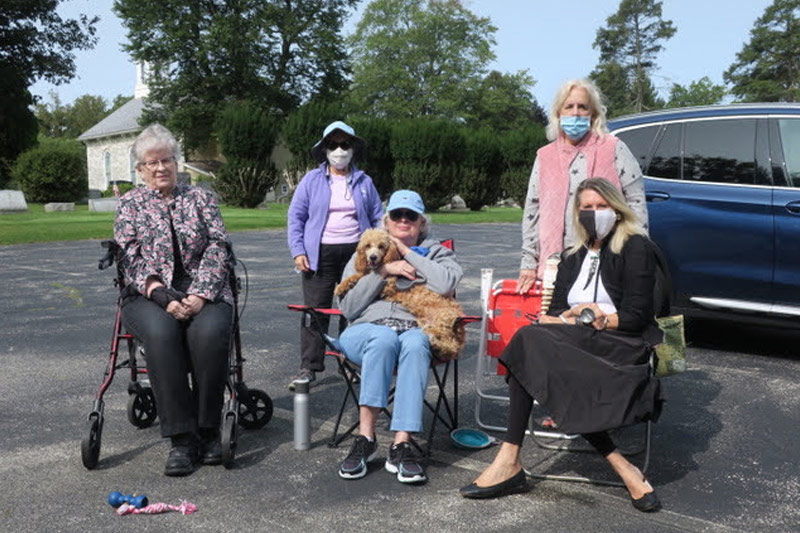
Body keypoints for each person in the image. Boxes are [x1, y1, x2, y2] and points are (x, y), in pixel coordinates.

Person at [461, 178, 665, 512]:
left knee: (527, 349)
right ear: (577, 212)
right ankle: (620, 466)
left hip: (620, 347)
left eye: (602, 206)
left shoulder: (635, 246)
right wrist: (568, 317)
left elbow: (638, 316)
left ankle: (511, 461)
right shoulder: (572, 256)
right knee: (532, 343)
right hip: (576, 345)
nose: (594, 213)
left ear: (617, 209)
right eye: (587, 207)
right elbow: (555, 313)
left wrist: (586, 317)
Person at [115, 123, 234, 477]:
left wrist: (199, 295)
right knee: (163, 334)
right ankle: (182, 438)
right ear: (140, 169)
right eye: (151, 163)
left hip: (205, 289)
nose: (160, 168)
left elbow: (218, 246)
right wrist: (160, 294)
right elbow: (129, 255)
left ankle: (209, 429)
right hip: (147, 293)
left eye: (166, 160)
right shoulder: (129, 205)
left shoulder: (200, 198)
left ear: (177, 163)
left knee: (209, 333)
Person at [336, 190, 463, 484]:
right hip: (365, 331)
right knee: (382, 338)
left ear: (421, 223)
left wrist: (406, 254)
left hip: (413, 330)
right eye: (397, 215)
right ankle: (365, 437)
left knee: (416, 343)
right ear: (387, 221)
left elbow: (445, 283)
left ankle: (401, 443)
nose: (403, 220)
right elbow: (348, 307)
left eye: (411, 216)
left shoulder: (436, 252)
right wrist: (382, 271)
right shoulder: (368, 249)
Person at [517, 79, 649, 294]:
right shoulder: (544, 156)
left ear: (593, 114)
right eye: (569, 107)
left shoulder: (614, 148)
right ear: (558, 113)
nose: (576, 113)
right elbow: (533, 211)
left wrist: (638, 256)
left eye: (582, 107)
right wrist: (528, 263)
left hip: (607, 259)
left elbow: (636, 202)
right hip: (555, 264)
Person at [287, 120, 383, 389]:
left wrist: (378, 248)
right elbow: (296, 217)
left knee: (352, 310)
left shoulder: (364, 181)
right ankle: (309, 367)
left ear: (353, 149)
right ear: (325, 148)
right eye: (333, 145)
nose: (339, 150)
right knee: (315, 311)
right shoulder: (311, 180)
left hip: (356, 254)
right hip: (319, 254)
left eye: (345, 145)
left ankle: (348, 363)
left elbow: (377, 216)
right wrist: (298, 251)